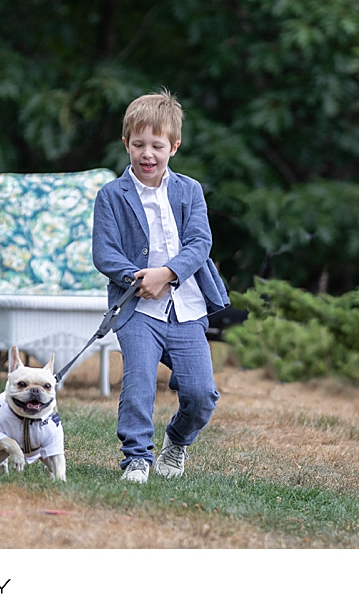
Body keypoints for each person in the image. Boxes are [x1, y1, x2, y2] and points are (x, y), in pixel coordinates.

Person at [92, 88, 229, 483]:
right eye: (138, 145)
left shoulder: (189, 191)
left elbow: (200, 243)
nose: (147, 154)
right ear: (126, 144)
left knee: (202, 394)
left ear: (174, 146)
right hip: (138, 309)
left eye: (157, 145)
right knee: (139, 384)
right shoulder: (111, 196)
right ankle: (136, 458)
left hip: (186, 307)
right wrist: (139, 279)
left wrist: (167, 274)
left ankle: (177, 441)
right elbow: (105, 253)